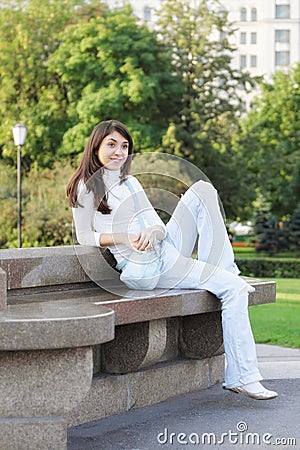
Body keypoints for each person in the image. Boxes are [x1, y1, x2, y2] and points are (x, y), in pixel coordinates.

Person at [67, 119, 278, 401]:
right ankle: (243, 378)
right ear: (95, 148)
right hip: (145, 264)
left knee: (203, 189)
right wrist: (124, 237)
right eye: (112, 145)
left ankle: (225, 270)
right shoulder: (85, 187)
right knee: (234, 290)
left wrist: (154, 232)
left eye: (124, 146)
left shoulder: (130, 182)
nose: (119, 152)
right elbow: (83, 236)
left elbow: (157, 223)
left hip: (164, 248)